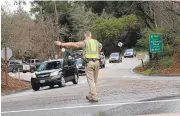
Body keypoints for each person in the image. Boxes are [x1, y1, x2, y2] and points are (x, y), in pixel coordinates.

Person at [54, 31, 102, 102]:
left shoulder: (85, 42)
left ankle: (93, 96)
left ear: (85, 36)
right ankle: (90, 95)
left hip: (89, 63)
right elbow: (100, 47)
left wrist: (62, 44)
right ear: (91, 35)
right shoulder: (96, 42)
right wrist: (96, 53)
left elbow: (74, 44)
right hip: (97, 62)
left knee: (91, 81)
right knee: (94, 81)